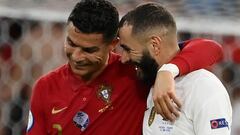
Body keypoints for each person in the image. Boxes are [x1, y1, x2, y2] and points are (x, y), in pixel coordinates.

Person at [26, 0, 223, 134]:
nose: (76, 56)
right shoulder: (46, 88)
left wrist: (167, 71)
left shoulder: (134, 72)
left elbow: (211, 48)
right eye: (71, 43)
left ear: (113, 44)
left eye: (89, 50)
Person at [118, 2, 232, 135]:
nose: (123, 58)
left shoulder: (204, 88)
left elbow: (213, 48)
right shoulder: (150, 80)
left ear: (155, 45)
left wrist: (168, 70)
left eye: (128, 50)